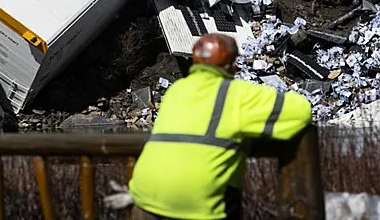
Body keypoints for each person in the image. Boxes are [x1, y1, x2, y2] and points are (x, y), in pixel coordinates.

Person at [128, 33, 312, 220]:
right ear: (232, 64)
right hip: (197, 203)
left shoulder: (176, 90)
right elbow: (300, 111)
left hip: (144, 195)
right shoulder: (238, 94)